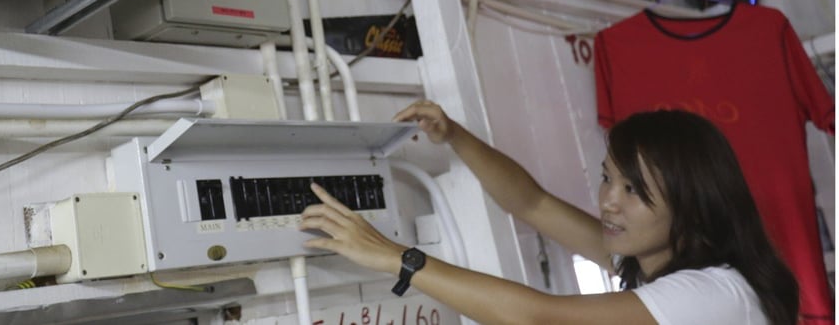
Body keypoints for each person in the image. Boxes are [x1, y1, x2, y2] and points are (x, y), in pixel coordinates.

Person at [299, 100, 799, 325]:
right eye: (607, 178)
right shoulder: (651, 263)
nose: (608, 200)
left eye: (634, 189)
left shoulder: (713, 294)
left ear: (693, 203)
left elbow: (539, 318)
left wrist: (396, 257)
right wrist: (455, 136)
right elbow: (530, 202)